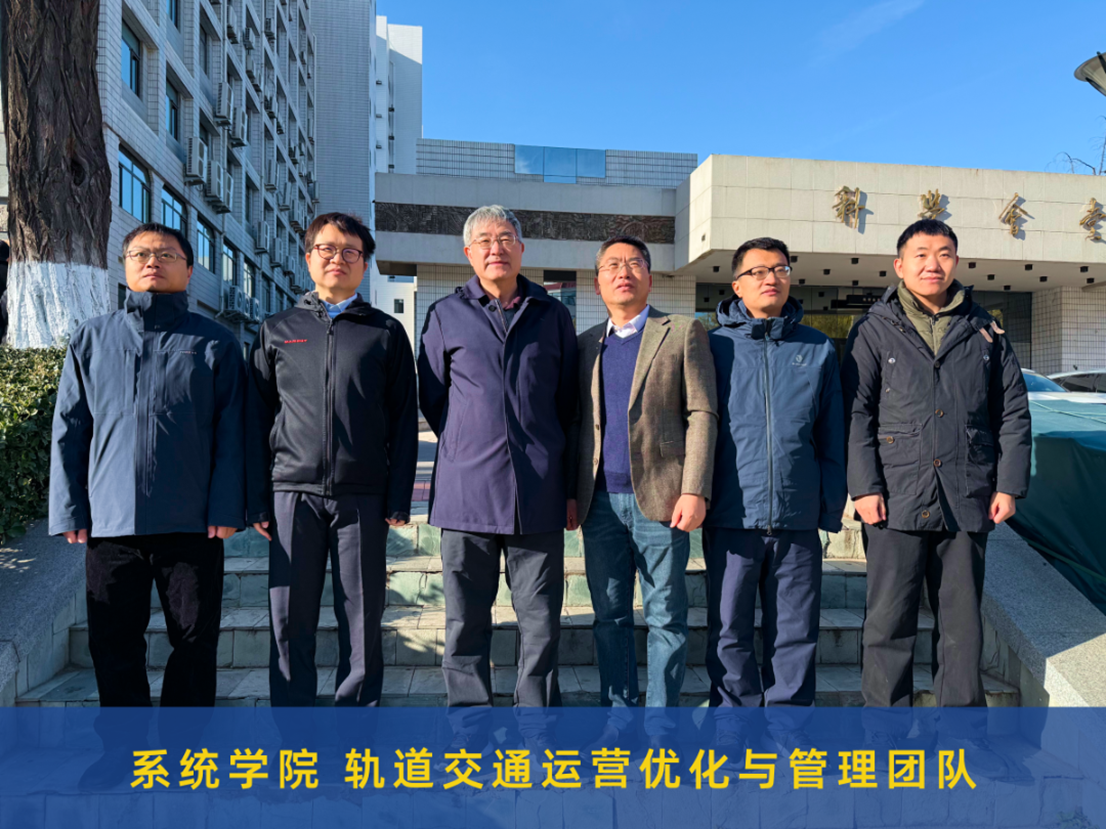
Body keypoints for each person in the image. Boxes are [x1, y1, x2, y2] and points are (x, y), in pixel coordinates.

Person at [49, 222, 246, 787]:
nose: (152, 261)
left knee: (194, 642)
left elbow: (233, 433)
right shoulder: (92, 338)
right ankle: (123, 754)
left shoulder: (215, 342)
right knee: (113, 643)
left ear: (190, 269)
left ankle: (186, 755)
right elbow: (70, 428)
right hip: (111, 524)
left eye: (166, 253)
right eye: (140, 253)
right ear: (125, 265)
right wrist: (70, 509)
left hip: (192, 524)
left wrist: (226, 508)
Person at [842, 219, 1031, 749]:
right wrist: (864, 486)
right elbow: (855, 413)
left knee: (962, 627)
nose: (933, 264)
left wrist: (1009, 485)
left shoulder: (985, 329)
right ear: (899, 265)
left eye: (944, 253)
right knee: (888, 623)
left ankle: (962, 741)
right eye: (921, 254)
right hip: (895, 497)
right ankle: (884, 739)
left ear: (956, 263)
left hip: (967, 494)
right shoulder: (873, 328)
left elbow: (1012, 412)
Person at [418, 205, 577, 751]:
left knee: (541, 622)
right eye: (484, 240)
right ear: (468, 252)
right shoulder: (445, 314)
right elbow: (434, 397)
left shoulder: (551, 314)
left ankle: (538, 727)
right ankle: (470, 728)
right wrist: (470, 438)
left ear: (521, 249)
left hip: (538, 493)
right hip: (466, 493)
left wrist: (566, 483)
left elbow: (567, 403)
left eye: (506, 238)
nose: (496, 248)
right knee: (465, 621)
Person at [247, 212, 417, 707]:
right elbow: (255, 418)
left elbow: (404, 419)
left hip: (362, 497)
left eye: (350, 251)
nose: (337, 258)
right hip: (291, 494)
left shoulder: (385, 332)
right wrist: (257, 498)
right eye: (326, 248)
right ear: (308, 258)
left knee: (361, 621)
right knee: (288, 620)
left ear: (364, 264)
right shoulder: (277, 329)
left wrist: (398, 495)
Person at [567, 235, 717, 749]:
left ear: (650, 278)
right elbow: (576, 423)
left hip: (662, 500)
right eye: (611, 265)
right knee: (609, 616)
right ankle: (618, 715)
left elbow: (702, 413)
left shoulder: (681, 332)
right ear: (597, 284)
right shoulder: (585, 343)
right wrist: (571, 492)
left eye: (634, 264)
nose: (623, 272)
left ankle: (660, 725)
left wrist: (694, 488)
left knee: (666, 617)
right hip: (599, 505)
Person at [703, 237, 846, 753]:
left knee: (795, 632)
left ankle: (789, 732)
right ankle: (732, 728)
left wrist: (829, 508)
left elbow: (832, 435)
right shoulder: (712, 347)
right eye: (759, 271)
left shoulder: (818, 348)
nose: (772, 278)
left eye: (781, 269)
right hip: (731, 513)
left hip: (796, 515)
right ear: (736, 285)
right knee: (729, 630)